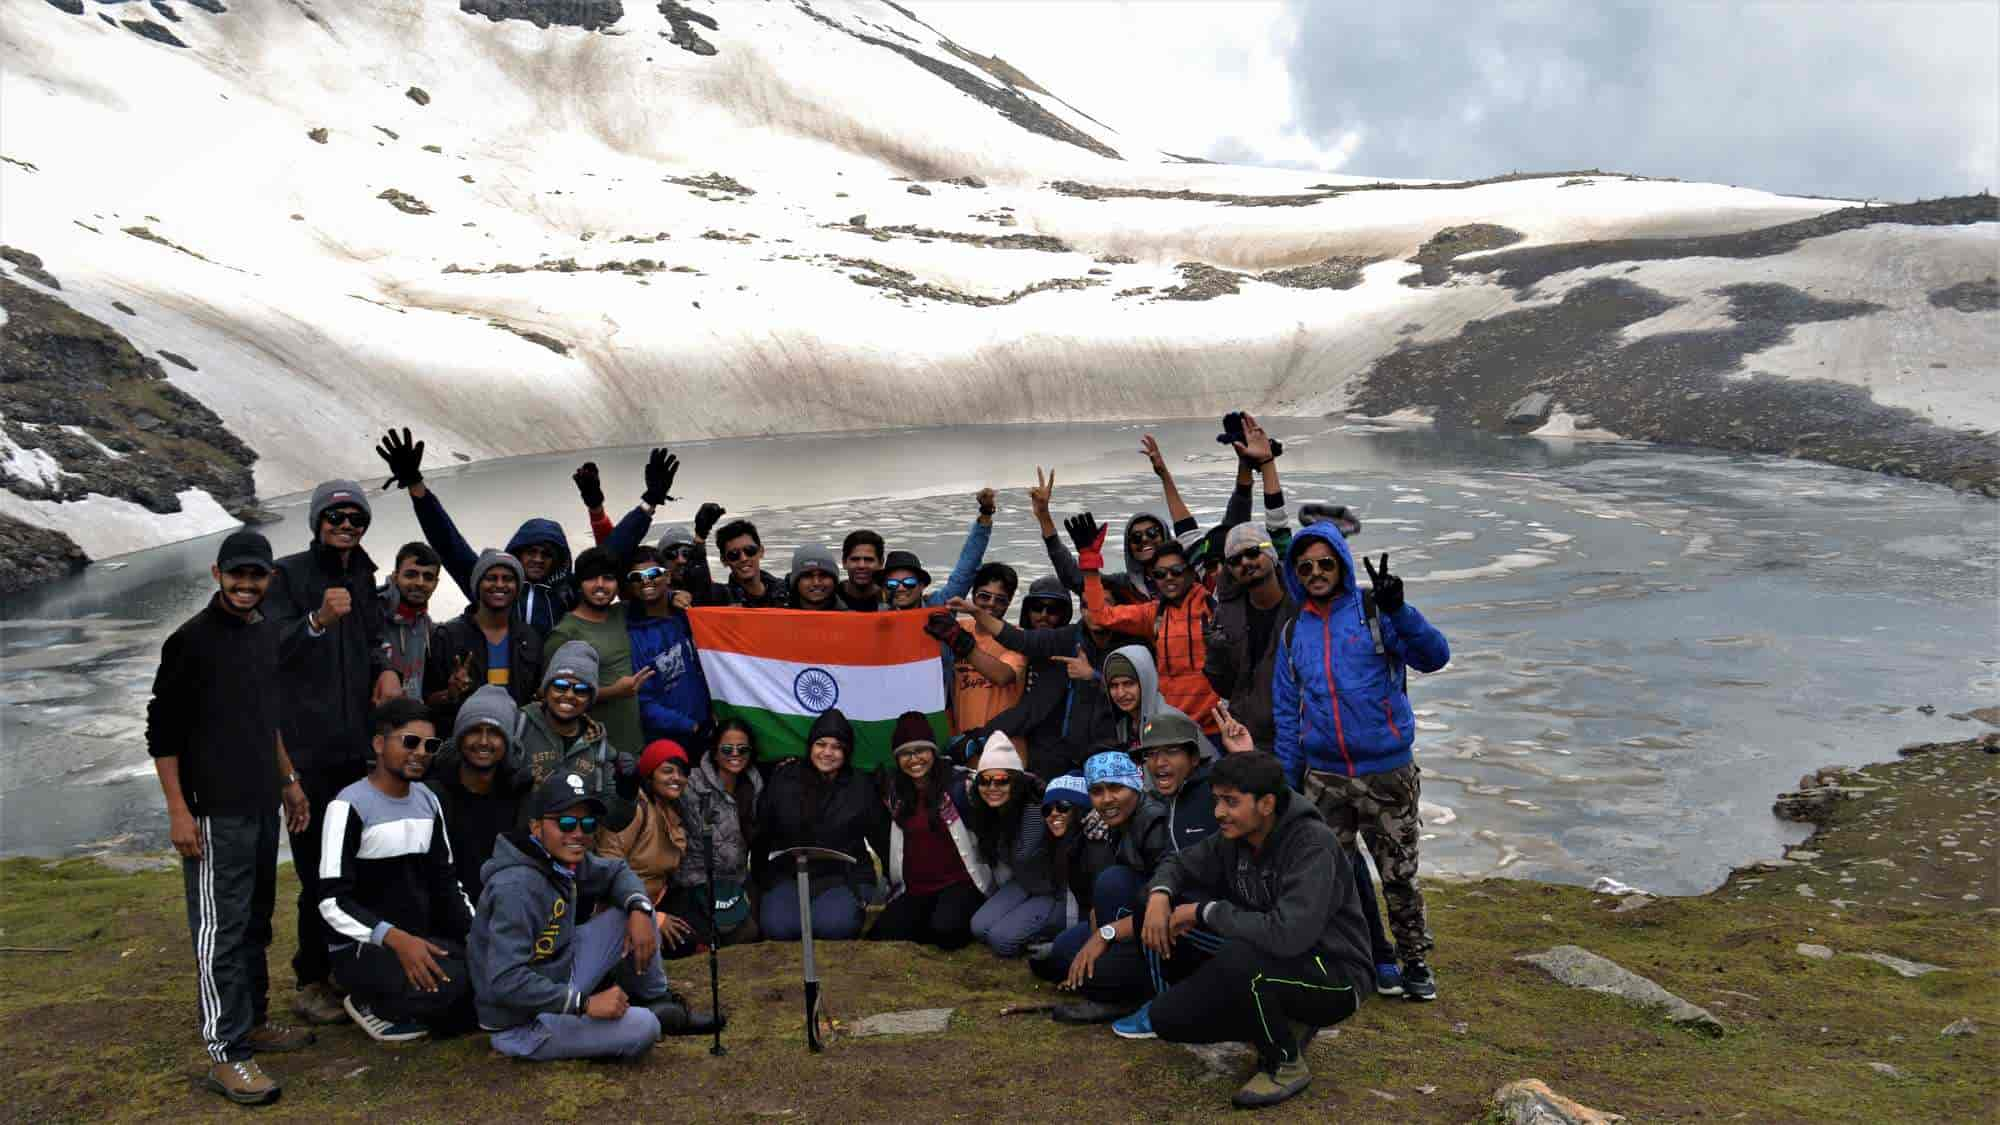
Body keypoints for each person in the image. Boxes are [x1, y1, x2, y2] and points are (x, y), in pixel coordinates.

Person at [147, 530, 314, 1105]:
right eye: (237, 575)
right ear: (218, 573)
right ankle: (227, 1052)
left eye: (257, 576)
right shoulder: (188, 642)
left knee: (255, 920)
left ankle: (255, 1021)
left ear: (268, 578)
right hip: (213, 810)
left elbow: (264, 719)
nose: (246, 586)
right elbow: (162, 733)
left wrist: (289, 781)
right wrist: (177, 810)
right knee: (219, 929)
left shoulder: (262, 632)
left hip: (260, 802)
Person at [1136, 751, 1373, 1108]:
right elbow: (1179, 863)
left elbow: (1289, 933)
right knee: (1167, 1018)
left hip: (1335, 974)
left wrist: (1206, 911)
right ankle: (1282, 1022)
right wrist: (1159, 896)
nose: (1218, 813)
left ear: (1266, 803)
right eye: (1217, 800)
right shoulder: (1234, 837)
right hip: (1271, 962)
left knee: (1240, 956)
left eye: (1231, 802)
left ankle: (1285, 1063)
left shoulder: (1312, 844)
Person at [1275, 524, 1451, 1001]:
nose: (1315, 573)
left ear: (1343, 565)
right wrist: (1290, 781)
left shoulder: (1375, 612)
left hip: (1386, 773)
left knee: (1398, 875)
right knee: (1331, 876)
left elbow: (1435, 657)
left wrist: (1400, 609)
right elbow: (1287, 711)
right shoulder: (1295, 632)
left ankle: (1413, 960)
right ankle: (1363, 958)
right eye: (1305, 566)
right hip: (1324, 778)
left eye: (1325, 564)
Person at [265, 479, 399, 1026]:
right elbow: (270, 647)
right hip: (308, 754)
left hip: (355, 750)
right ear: (318, 519)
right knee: (319, 870)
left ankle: (349, 966)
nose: (346, 525)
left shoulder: (362, 575)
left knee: (356, 864)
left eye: (356, 518)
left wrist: (386, 665)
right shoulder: (288, 575)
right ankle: (310, 978)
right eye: (336, 516)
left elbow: (373, 636)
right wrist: (317, 621)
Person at [471, 771, 721, 1061]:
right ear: (536, 827)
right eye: (565, 822)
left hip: (558, 971)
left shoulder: (555, 858)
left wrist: (640, 910)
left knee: (632, 909)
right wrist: (585, 1004)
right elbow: (506, 980)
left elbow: (616, 871)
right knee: (645, 1027)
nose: (577, 833)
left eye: (587, 823)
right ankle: (638, 1018)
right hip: (521, 1021)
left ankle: (659, 1000)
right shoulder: (515, 887)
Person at [317, 699, 477, 1043]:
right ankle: (371, 1003)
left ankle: (415, 1001)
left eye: (430, 745)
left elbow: (446, 882)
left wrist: (480, 937)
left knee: (487, 973)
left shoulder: (428, 800)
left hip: (421, 941)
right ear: (379, 744)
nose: (420, 752)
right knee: (458, 992)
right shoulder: (347, 806)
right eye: (409, 742)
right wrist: (395, 939)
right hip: (365, 948)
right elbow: (332, 902)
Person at [376, 429, 575, 637]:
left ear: (558, 560)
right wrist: (416, 487)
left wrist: (595, 508)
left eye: (546, 554)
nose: (538, 559)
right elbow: (448, 543)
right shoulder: (490, 583)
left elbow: (608, 557)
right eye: (531, 551)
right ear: (518, 553)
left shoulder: (568, 591)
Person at [1032, 751, 1175, 1023]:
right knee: (1057, 959)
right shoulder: (1115, 823)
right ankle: (1109, 974)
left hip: (1160, 929)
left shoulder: (1154, 823)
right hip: (1126, 921)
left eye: (1116, 787)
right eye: (1097, 791)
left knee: (1111, 882)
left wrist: (1103, 937)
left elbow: (1165, 906)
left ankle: (1122, 997)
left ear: (1134, 785)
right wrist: (1096, 936)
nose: (1107, 799)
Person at [1070, 511, 1223, 736]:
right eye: (1160, 574)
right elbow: (1101, 615)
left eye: (1176, 571)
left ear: (1191, 571)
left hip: (1215, 727)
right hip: (1171, 726)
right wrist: (1090, 564)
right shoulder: (1152, 613)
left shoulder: (1213, 604)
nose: (1169, 577)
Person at [958, 589, 1122, 779]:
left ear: (1065, 614)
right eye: (1037, 608)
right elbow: (1020, 640)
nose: (1044, 615)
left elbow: (1029, 707)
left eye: (1053, 609)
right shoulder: (1025, 645)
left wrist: (979, 737)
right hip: (1028, 747)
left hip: (1072, 758)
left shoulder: (1068, 652)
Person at [756, 709, 886, 941]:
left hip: (844, 875)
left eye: (836, 747)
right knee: (780, 929)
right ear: (810, 746)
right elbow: (763, 832)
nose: (827, 752)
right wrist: (762, 880)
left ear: (846, 751)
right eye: (821, 744)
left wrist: (895, 879)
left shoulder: (861, 786)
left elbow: (881, 835)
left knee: (832, 928)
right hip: (788, 874)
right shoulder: (785, 778)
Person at [867, 713, 989, 950]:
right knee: (882, 935)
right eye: (905, 753)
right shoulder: (895, 792)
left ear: (933, 751)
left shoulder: (960, 785)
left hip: (959, 883)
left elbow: (1003, 790)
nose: (914, 759)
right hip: (916, 889)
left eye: (921, 750)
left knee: (947, 933)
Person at [596, 739, 703, 959]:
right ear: (649, 774)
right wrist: (652, 915)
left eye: (682, 772)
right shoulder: (634, 808)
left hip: (658, 897)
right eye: (667, 771)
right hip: (624, 906)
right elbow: (608, 865)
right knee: (684, 942)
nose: (677, 778)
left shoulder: (676, 810)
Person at [514, 640, 638, 829]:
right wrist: (513, 781)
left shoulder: (600, 747)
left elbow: (614, 822)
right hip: (520, 850)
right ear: (546, 690)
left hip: (573, 849)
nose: (570, 695)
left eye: (581, 690)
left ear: (590, 699)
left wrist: (627, 791)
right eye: (561, 685)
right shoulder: (518, 726)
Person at [428, 684, 531, 904]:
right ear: (459, 738)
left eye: (494, 733)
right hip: (445, 923)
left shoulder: (519, 796)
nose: (484, 741)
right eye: (474, 730)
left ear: (508, 742)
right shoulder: (433, 797)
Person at [423, 550, 545, 733]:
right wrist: (450, 694)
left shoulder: (530, 638)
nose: (500, 584)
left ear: (517, 587)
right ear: (478, 584)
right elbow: (427, 699)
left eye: (508, 579)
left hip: (514, 742)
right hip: (460, 741)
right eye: (491, 578)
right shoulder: (447, 635)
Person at [547, 546, 651, 757]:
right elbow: (545, 695)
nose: (601, 585)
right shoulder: (565, 632)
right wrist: (614, 691)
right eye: (591, 578)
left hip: (635, 744)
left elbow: (655, 598)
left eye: (608, 578)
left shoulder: (621, 613)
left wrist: (675, 594)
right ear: (579, 584)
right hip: (592, 751)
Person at [964, 734, 1060, 957]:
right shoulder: (989, 811)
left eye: (1001, 780)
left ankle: (1058, 935)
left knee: (1001, 940)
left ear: (1016, 781)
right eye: (985, 781)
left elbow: (1023, 853)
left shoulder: (1037, 809)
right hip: (1023, 882)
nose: (992, 787)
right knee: (978, 927)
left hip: (1053, 890)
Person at [1205, 524, 1297, 755]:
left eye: (1253, 552)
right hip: (1243, 736)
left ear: (1271, 554)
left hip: (1293, 737)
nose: (1245, 562)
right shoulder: (1226, 612)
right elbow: (1226, 688)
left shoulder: (1300, 607)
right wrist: (1215, 654)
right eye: (1235, 560)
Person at [680, 719, 764, 945]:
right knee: (734, 934)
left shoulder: (755, 784)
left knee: (762, 929)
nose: (735, 754)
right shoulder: (692, 784)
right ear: (715, 753)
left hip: (737, 878)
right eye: (727, 749)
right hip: (698, 880)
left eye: (742, 749)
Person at [623, 546, 712, 750]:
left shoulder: (689, 616)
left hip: (709, 729)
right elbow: (643, 701)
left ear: (668, 577)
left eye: (653, 573)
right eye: (637, 577)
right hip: (667, 741)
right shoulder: (632, 637)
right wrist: (691, 726)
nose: (646, 580)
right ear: (630, 586)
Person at [378, 542, 441, 701]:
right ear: (395, 576)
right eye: (411, 574)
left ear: (436, 583)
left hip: (409, 720)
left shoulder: (425, 624)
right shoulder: (371, 611)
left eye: (428, 577)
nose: (420, 583)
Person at [711, 518, 789, 607]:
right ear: (724, 560)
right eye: (734, 554)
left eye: (750, 550)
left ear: (761, 551)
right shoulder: (720, 600)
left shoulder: (787, 591)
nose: (743, 558)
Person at [787, 545, 843, 612]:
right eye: (807, 576)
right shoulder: (777, 609)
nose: (816, 583)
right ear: (796, 581)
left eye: (824, 575)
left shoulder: (849, 618)